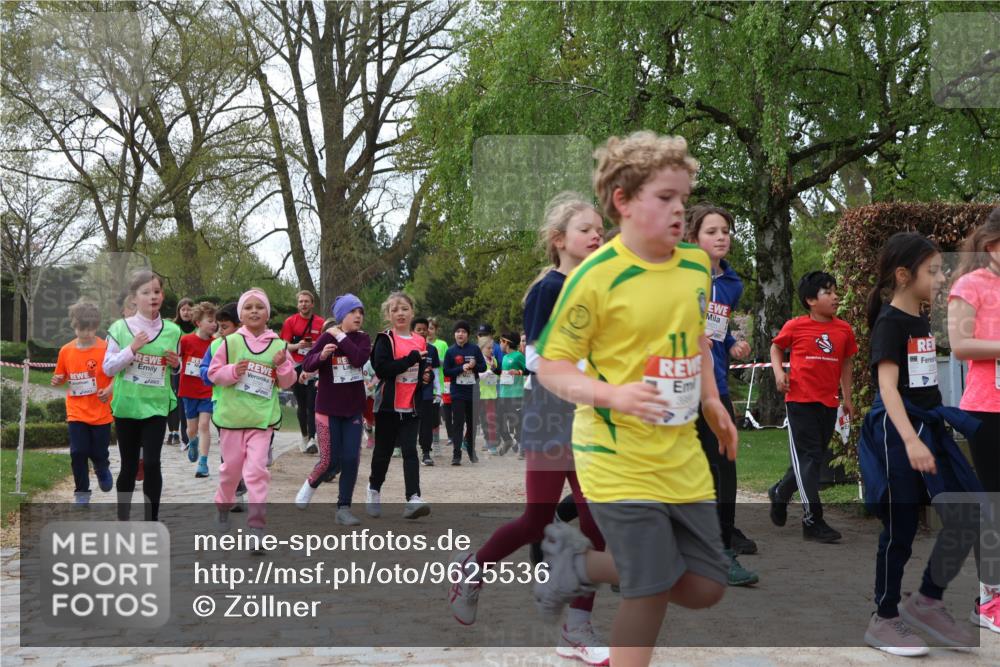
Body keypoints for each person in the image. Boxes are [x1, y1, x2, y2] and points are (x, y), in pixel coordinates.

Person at [531, 132, 738, 667]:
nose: (679, 211)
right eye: (665, 198)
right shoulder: (595, 278)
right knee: (648, 586)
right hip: (613, 454)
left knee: (707, 585)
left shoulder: (695, 266)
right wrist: (613, 395)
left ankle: (579, 563)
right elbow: (551, 366)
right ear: (622, 201)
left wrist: (712, 401)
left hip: (679, 451)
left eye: (683, 200)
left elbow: (693, 339)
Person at [449, 192, 609, 665]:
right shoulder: (549, 289)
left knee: (601, 527)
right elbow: (536, 358)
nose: (598, 235)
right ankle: (473, 570)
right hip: (552, 412)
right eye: (587, 229)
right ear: (560, 240)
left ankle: (576, 628)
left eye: (601, 228)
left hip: (594, 419)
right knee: (537, 520)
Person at [859, 232, 983, 655]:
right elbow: (888, 388)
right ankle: (885, 617)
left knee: (968, 512)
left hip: (930, 427)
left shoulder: (920, 319)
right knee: (902, 527)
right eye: (932, 270)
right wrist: (910, 440)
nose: (941, 275)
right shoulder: (890, 323)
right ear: (902, 275)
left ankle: (928, 601)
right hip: (898, 432)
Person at [685, 204, 758, 585]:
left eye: (726, 230)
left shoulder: (732, 284)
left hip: (715, 386)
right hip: (677, 386)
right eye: (712, 231)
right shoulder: (677, 276)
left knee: (724, 463)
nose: (722, 236)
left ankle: (722, 550)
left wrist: (730, 345)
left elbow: (716, 327)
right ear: (693, 237)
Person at [767, 271, 857, 543]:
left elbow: (847, 363)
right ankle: (812, 519)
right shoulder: (795, 326)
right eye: (827, 292)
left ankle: (781, 493)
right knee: (808, 458)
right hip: (799, 401)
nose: (834, 297)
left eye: (834, 291)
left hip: (828, 402)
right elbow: (776, 347)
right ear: (810, 300)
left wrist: (848, 398)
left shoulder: (844, 329)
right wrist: (778, 373)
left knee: (813, 458)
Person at [946, 207, 1000, 635]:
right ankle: (988, 600)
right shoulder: (969, 285)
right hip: (986, 409)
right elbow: (960, 344)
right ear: (990, 245)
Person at [209, 288, 297, 547]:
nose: (254, 311)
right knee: (230, 471)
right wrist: (232, 371)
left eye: (260, 306)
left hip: (261, 420)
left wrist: (282, 364)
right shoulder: (229, 342)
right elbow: (213, 373)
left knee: (257, 471)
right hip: (232, 419)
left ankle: (256, 527)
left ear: (267, 313)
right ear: (241, 314)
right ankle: (223, 508)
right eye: (249, 307)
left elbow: (287, 382)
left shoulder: (279, 345)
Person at [103, 269, 182, 521]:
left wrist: (176, 364)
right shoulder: (119, 327)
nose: (152, 297)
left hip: (156, 406)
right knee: (128, 465)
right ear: (134, 298)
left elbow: (176, 367)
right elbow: (108, 367)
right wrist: (131, 349)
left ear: (163, 296)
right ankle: (123, 519)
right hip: (127, 406)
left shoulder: (173, 331)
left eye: (156, 292)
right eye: (146, 292)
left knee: (151, 463)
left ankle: (151, 521)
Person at [296, 294, 372, 526]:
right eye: (352, 312)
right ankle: (310, 484)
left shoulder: (362, 339)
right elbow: (308, 364)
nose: (358, 316)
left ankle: (343, 508)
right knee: (329, 460)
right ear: (341, 316)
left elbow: (359, 359)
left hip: (353, 410)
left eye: (360, 312)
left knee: (350, 459)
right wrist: (322, 355)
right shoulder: (326, 337)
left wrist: (341, 336)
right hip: (327, 409)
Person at [366, 292, 432, 520]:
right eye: (395, 310)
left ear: (412, 312)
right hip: (387, 405)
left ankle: (413, 498)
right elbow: (382, 369)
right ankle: (374, 489)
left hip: (411, 405)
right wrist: (411, 360)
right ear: (388, 315)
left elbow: (423, 371)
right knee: (383, 452)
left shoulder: (421, 341)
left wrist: (426, 378)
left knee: (410, 451)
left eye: (404, 308)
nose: (400, 313)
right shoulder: (385, 339)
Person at [51, 301, 114, 506]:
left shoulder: (106, 349)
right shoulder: (66, 351)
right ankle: (81, 492)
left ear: (96, 326)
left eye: (90, 329)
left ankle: (102, 467)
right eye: (81, 328)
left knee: (98, 452)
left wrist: (109, 389)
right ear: (74, 325)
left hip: (101, 410)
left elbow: (119, 374)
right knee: (78, 452)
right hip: (76, 410)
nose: (86, 333)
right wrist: (58, 380)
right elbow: (60, 375)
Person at [199, 302, 248, 509]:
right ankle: (235, 492)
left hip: (252, 407)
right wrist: (218, 374)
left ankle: (242, 481)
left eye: (225, 327)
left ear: (239, 324)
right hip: (223, 404)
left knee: (247, 451)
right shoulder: (215, 345)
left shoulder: (255, 344)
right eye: (218, 326)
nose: (220, 331)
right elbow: (204, 371)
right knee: (229, 450)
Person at [280, 290, 323, 454]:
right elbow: (284, 345)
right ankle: (304, 436)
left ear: (312, 304)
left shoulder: (320, 322)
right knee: (302, 403)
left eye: (307, 301)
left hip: (314, 366)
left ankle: (313, 439)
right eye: (301, 301)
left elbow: (325, 342)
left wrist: (315, 346)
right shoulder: (290, 322)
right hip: (296, 365)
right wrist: (299, 346)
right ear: (298, 304)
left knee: (312, 403)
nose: (304, 304)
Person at [178, 301, 217, 478]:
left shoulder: (216, 344)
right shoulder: (186, 341)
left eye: (215, 321)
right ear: (198, 322)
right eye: (210, 320)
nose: (214, 324)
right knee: (191, 429)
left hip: (207, 390)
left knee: (204, 426)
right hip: (188, 391)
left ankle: (203, 463)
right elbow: (177, 363)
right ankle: (192, 442)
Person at [443, 321, 487, 465]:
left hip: (473, 392)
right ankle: (456, 454)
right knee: (458, 423)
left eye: (463, 331)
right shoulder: (450, 351)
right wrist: (461, 368)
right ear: (454, 334)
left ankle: (471, 449)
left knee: (472, 423)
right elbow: (446, 371)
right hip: (458, 393)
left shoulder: (474, 349)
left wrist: (474, 367)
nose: (460, 334)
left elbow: (483, 367)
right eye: (458, 331)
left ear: (468, 334)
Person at [412, 317, 441, 466]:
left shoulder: (432, 349)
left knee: (426, 423)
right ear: (413, 331)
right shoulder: (408, 347)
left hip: (427, 392)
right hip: (410, 392)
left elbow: (435, 371)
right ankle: (407, 450)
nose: (423, 332)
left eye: (425, 329)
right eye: (419, 329)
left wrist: (439, 391)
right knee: (410, 422)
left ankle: (426, 452)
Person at [167, 297, 195, 447]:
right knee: (180, 399)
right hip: (179, 370)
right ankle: (182, 435)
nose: (186, 312)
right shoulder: (174, 328)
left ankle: (195, 431)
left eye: (189, 309)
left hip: (196, 370)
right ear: (178, 311)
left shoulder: (199, 326)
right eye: (183, 309)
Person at [496, 332, 526, 456]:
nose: (499, 344)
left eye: (501, 341)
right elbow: (503, 374)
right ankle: (508, 440)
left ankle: (522, 447)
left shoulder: (518, 356)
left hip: (516, 394)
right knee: (498, 420)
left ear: (507, 343)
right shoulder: (504, 357)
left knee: (517, 422)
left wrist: (518, 372)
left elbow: (528, 370)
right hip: (503, 393)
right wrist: (494, 369)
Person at [427, 318, 451, 447]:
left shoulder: (442, 344)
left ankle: (436, 441)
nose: (429, 331)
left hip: (439, 384)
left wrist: (437, 361)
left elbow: (448, 362)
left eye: (431, 328)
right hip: (424, 385)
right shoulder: (420, 344)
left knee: (436, 416)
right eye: (427, 328)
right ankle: (426, 441)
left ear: (436, 330)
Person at [478, 340, 500, 454]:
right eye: (488, 348)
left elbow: (496, 376)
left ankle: (492, 445)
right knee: (483, 420)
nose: (491, 350)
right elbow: (477, 376)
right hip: (481, 394)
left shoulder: (494, 360)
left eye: (492, 348)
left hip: (492, 394)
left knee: (492, 420)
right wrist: (489, 371)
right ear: (481, 349)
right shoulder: (479, 360)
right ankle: (487, 440)